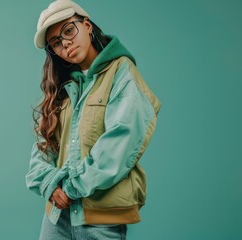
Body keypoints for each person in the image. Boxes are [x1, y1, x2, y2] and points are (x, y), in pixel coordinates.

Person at [25, 0, 161, 239]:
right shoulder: (61, 86)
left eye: (68, 30)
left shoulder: (121, 72)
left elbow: (121, 144)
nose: (65, 43)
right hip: (57, 217)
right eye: (56, 43)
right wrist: (48, 183)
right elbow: (43, 147)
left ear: (87, 25)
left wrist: (69, 187)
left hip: (102, 219)